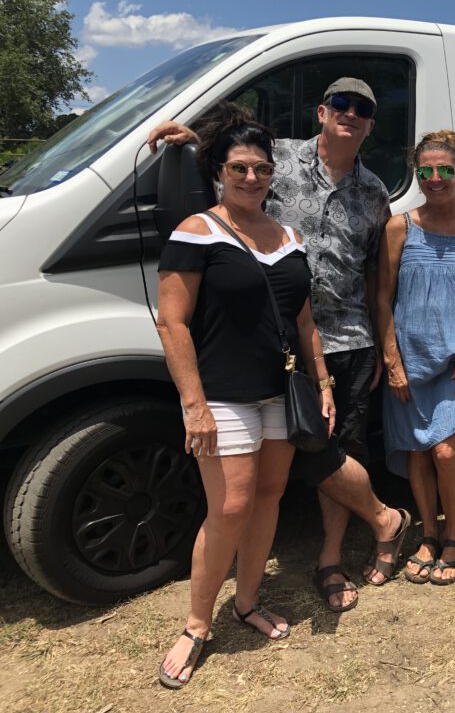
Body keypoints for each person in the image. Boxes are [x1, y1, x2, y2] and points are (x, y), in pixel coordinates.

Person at [148, 77, 410, 613]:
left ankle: (330, 561)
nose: (350, 113)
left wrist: (382, 347)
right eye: (340, 103)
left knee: (337, 451)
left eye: (362, 108)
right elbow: (236, 156)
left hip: (347, 338)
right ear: (322, 112)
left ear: (371, 124)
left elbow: (374, 275)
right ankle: (385, 520)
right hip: (279, 342)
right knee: (290, 471)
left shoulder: (376, 191)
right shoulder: (277, 159)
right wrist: (193, 138)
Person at [155, 103, 335, 688]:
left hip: (281, 391)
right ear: (219, 172)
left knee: (269, 496)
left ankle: (248, 601)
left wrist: (323, 382)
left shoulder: (289, 236)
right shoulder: (197, 231)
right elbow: (172, 324)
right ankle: (196, 624)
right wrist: (194, 405)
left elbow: (304, 320)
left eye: (261, 168)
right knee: (230, 506)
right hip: (223, 395)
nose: (251, 177)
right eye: (239, 168)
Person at [377, 130, 455, 584]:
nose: (435, 178)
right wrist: (392, 361)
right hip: (410, 364)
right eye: (426, 170)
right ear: (417, 174)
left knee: (446, 451)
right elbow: (382, 298)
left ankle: (454, 537)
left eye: (445, 169)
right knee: (418, 453)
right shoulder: (400, 227)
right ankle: (428, 535)